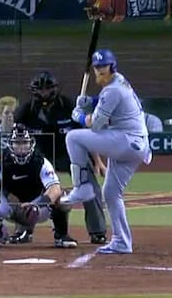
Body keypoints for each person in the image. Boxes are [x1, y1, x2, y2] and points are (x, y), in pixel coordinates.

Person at [62, 49, 153, 255]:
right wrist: (92, 102)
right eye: (97, 68)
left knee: (73, 137)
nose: (99, 72)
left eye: (103, 68)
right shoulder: (118, 82)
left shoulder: (112, 90)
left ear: (112, 67)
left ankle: (82, 187)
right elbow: (108, 102)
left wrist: (79, 114)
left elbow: (95, 125)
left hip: (126, 141)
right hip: (135, 145)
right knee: (111, 193)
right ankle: (122, 241)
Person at [15, 71, 108, 245]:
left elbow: (87, 134)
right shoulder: (26, 111)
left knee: (89, 187)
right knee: (24, 185)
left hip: (69, 155)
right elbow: (15, 137)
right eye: (40, 90)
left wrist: (97, 161)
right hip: (40, 157)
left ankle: (98, 231)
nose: (44, 93)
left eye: (47, 89)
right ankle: (23, 230)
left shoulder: (68, 106)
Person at [0, 126, 79, 249]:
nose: (21, 147)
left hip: (36, 207)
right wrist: (12, 201)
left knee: (63, 198)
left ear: (31, 144)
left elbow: (55, 189)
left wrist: (37, 204)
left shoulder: (41, 162)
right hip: (11, 207)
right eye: (17, 143)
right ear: (10, 145)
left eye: (25, 143)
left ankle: (61, 236)